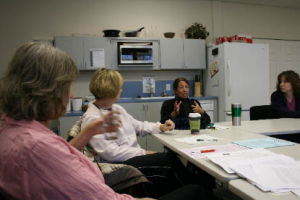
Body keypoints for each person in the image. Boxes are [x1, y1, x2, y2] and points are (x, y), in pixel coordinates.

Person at [0, 42, 208, 200]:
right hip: (114, 180)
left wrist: (86, 134)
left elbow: (137, 126)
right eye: (66, 87)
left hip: (107, 177)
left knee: (178, 176)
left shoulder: (11, 129)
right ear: (46, 91)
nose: (71, 95)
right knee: (196, 190)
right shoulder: (36, 147)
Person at [78, 68, 210, 198]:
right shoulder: (92, 118)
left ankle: (194, 190)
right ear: (109, 89)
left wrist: (161, 126)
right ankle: (198, 191)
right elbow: (112, 153)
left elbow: (139, 126)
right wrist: (143, 152)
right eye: (119, 87)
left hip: (132, 157)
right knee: (169, 161)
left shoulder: (116, 108)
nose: (121, 90)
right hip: (121, 165)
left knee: (170, 163)